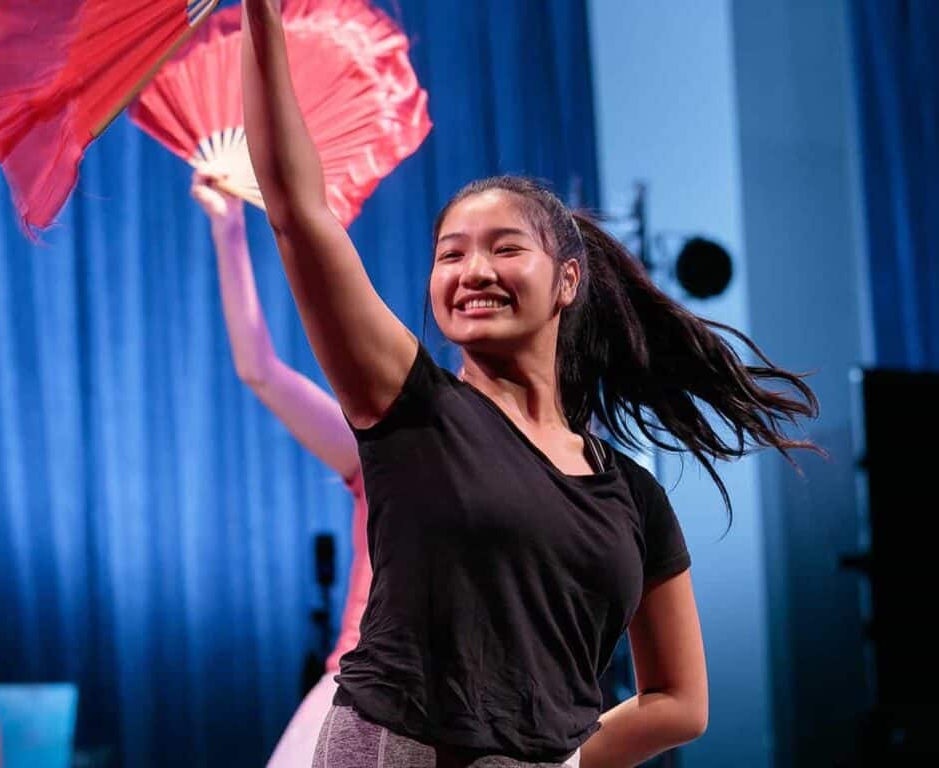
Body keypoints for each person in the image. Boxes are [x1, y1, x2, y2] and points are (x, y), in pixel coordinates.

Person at [240, 2, 819, 766]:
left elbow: (681, 703)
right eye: (450, 255)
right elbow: (298, 213)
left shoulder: (632, 496)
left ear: (567, 281)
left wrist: (566, 758)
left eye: (503, 249)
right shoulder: (412, 407)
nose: (473, 272)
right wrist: (263, 22)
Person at [188, 171, 374, 767]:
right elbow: (259, 369)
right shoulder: (390, 449)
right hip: (362, 699)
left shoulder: (526, 473)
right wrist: (228, 230)